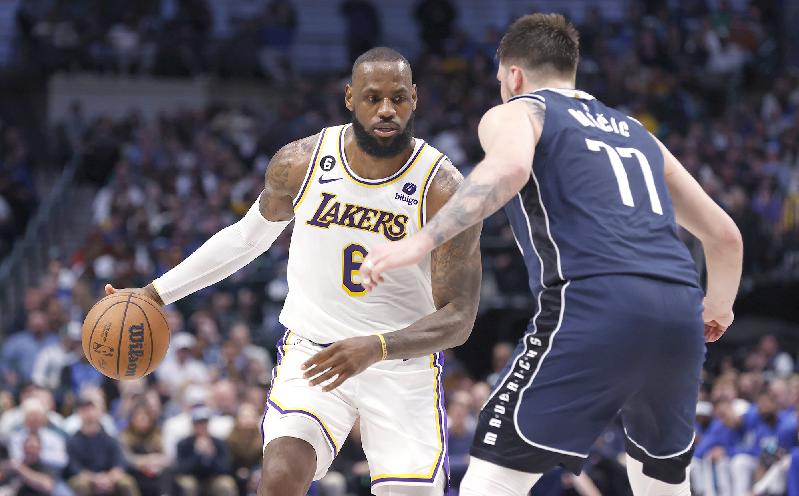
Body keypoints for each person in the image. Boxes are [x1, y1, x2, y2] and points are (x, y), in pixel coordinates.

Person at [362, 13, 743, 496]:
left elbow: (510, 167)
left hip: (596, 300)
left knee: (494, 468)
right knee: (661, 479)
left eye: (501, 80)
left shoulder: (521, 111)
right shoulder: (637, 133)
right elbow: (725, 236)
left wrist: (418, 241)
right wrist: (718, 307)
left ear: (514, 76)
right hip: (680, 310)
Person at [106, 46, 482, 496]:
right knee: (281, 477)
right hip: (314, 352)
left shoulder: (443, 188)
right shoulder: (300, 163)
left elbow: (459, 317)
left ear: (415, 99)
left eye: (398, 98)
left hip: (400, 364)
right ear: (349, 98)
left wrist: (377, 347)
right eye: (372, 97)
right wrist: (154, 293)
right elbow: (247, 238)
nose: (386, 109)